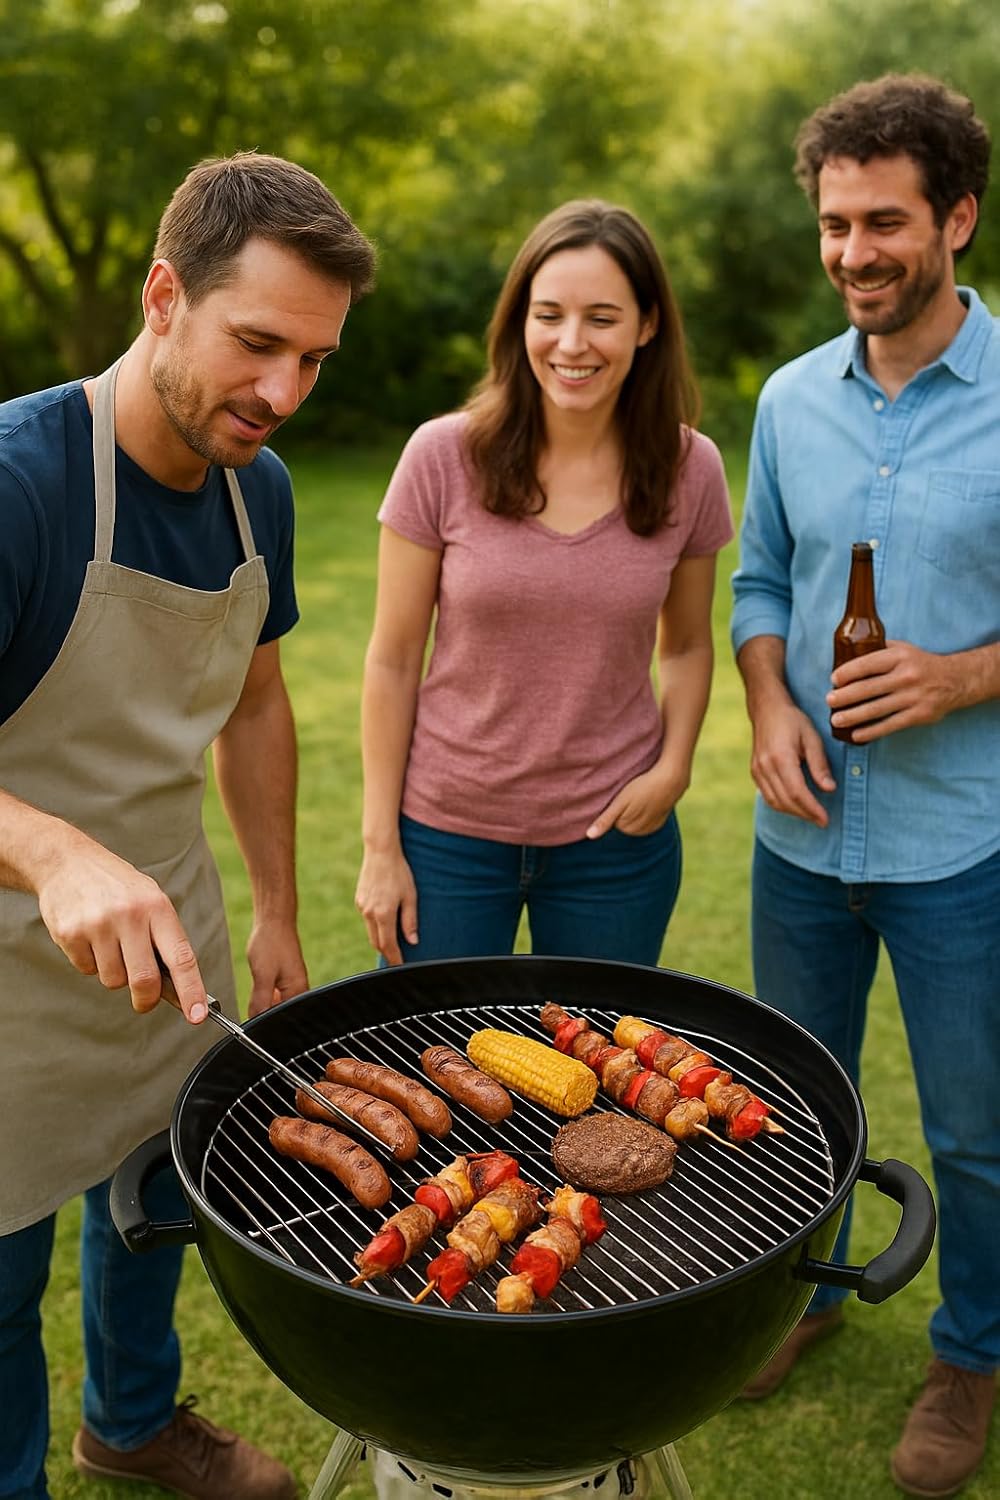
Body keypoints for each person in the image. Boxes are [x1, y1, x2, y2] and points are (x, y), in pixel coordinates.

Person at [0, 153, 375, 1500]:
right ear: (167, 295)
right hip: (6, 966)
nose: (282, 393)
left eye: (314, 361)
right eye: (258, 343)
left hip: (172, 922)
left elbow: (257, 705)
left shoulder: (252, 491)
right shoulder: (18, 483)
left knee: (154, 1204)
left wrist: (274, 910)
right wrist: (48, 850)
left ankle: (135, 1420)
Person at [731, 73, 998, 1497]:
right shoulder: (789, 400)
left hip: (966, 842)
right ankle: (810, 1294)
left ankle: (970, 1352)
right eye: (835, 225)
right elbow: (760, 576)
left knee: (975, 1125)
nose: (853, 254)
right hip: (804, 835)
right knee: (795, 1100)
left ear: (955, 217)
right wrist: (768, 694)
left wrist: (961, 676)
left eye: (884, 222)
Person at [355, 199, 732, 969]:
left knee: (606, 1082)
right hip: (448, 838)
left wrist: (674, 767)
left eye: (602, 317)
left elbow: (689, 645)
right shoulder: (442, 457)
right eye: (549, 314)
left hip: (615, 845)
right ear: (518, 320)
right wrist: (379, 845)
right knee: (445, 1072)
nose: (571, 343)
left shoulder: (693, 470)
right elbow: (392, 660)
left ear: (648, 324)